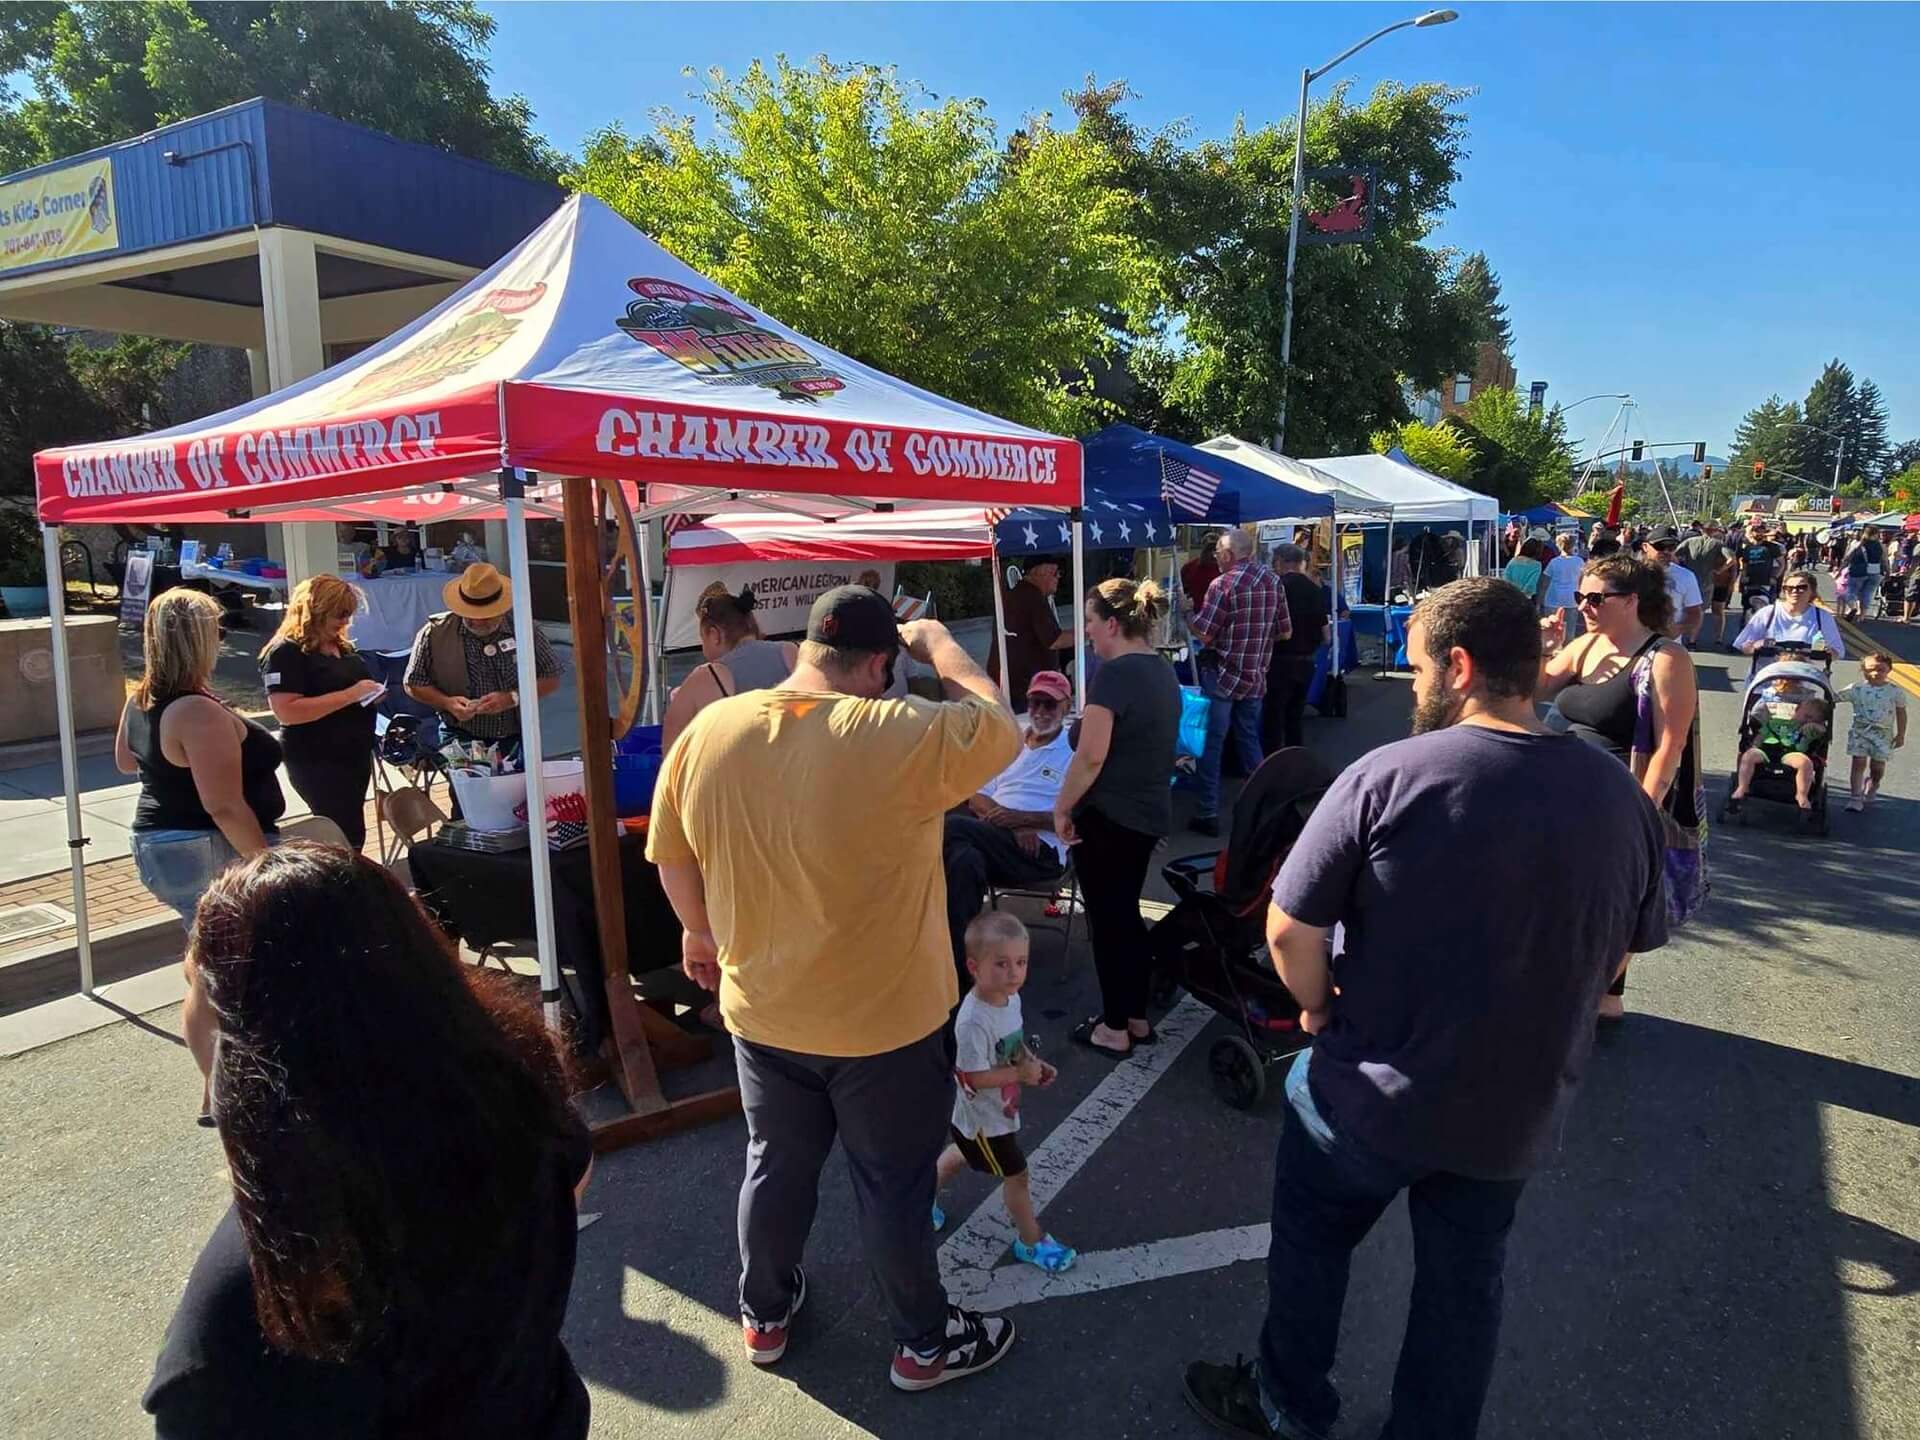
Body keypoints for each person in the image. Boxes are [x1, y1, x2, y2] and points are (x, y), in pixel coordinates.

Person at [1182, 577, 1667, 1440]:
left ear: (1460, 665)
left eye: (1415, 671)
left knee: (1311, 1246)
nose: (1411, 689)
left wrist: (1319, 1010)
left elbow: (1291, 928)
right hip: (1512, 1111)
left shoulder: (1387, 776)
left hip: (1369, 1095)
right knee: (1464, 1289)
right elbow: (1618, 954)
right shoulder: (1620, 800)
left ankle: (1289, 1403)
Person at [646, 587, 1020, 1391]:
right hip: (884, 1023)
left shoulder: (715, 725)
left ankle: (765, 1314)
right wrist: (942, 647)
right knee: (891, 1183)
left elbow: (669, 848)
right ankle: (923, 1342)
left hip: (763, 1009)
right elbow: (1000, 727)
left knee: (774, 1165)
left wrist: (699, 929)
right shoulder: (895, 731)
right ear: (879, 664)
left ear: (807, 648)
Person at [143, 845, 592, 1439]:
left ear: (239, 1029)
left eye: (189, 984)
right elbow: (571, 1187)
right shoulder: (521, 1109)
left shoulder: (240, 1317)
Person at [1539, 554, 1700, 1021]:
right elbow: (1534, 689)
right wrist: (1546, 646)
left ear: (1630, 601)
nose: (1585, 606)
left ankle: (1594, 996)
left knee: (1612, 899)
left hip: (1618, 795)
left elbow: (1672, 743)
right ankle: (1596, 995)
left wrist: (1643, 809)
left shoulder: (1665, 658)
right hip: (1565, 791)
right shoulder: (1586, 645)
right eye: (1581, 597)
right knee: (1571, 892)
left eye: (1596, 598)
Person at [1056, 579, 1181, 1058]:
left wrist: (1062, 807)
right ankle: (1134, 1016)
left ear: (1111, 623)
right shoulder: (1161, 669)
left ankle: (1114, 1026)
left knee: (1109, 923)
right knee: (1125, 916)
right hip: (1146, 814)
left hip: (1110, 816)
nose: (1086, 632)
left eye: (1089, 621)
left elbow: (1090, 757)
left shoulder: (1114, 675)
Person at [119, 588, 285, 925]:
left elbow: (126, 761)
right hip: (205, 844)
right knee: (237, 952)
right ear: (201, 639)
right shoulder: (196, 711)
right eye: (218, 631)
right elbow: (223, 806)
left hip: (161, 841)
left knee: (209, 945)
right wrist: (265, 865)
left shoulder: (140, 699)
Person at [930, 912, 1074, 1272]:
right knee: (1017, 1174)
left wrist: (1032, 1063)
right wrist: (1019, 1073)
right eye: (1002, 964)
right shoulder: (973, 1021)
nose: (1014, 973)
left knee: (961, 1154)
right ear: (974, 966)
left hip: (989, 1116)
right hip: (985, 1119)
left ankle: (918, 1204)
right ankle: (1031, 1240)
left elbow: (1012, 1044)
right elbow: (971, 1076)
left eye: (1021, 962)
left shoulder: (1009, 999)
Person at [942, 670, 1073, 979]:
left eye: (1049, 705)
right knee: (964, 860)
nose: (1040, 712)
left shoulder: (1074, 750)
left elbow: (1079, 813)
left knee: (948, 827)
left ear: (1066, 707)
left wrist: (1027, 821)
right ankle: (962, 965)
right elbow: (977, 794)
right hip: (997, 839)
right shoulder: (1012, 741)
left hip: (1040, 852)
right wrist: (1011, 824)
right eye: (1034, 703)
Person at [260, 575, 383, 852]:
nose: (344, 621)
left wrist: (370, 695)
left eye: (348, 615)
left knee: (353, 831)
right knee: (338, 833)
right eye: (338, 614)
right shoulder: (285, 652)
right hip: (318, 759)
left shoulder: (341, 646)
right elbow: (286, 711)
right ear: (315, 611)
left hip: (354, 754)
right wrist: (351, 695)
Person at [1188, 530, 1289, 836]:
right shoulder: (1273, 581)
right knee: (1248, 741)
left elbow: (1204, 633)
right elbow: (1285, 632)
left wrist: (1185, 612)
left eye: (1218, 552)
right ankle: (1265, 809)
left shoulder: (1223, 584)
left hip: (1222, 673)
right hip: (1256, 673)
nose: (1216, 556)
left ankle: (1208, 813)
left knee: (1211, 745)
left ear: (1230, 554)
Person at [403, 564, 563, 752]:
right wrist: (447, 703)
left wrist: (512, 698)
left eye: (486, 616)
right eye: (470, 615)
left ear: (501, 608)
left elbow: (551, 676)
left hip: (516, 735)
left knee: (516, 782)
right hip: (459, 734)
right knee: (467, 782)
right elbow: (413, 682)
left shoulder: (524, 628)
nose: (477, 622)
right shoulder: (434, 632)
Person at [660, 587, 798, 753]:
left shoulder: (706, 677)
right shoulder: (792, 652)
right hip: (801, 772)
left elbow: (671, 755)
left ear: (714, 634)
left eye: (702, 639)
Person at [1262, 544, 1328, 753]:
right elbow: (1326, 635)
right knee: (1295, 717)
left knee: (1273, 716)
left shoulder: (1276, 587)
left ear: (1281, 561)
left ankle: (1271, 763)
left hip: (1279, 659)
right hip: (1306, 661)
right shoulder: (1315, 590)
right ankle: (1296, 762)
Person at [987, 556, 1074, 713]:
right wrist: (1088, 631)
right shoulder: (1032, 597)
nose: (1058, 578)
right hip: (1026, 691)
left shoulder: (1016, 595)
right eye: (1055, 573)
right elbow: (1054, 640)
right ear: (1039, 572)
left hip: (1010, 686)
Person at [1727, 692, 1829, 817]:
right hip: (1766, 750)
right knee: (1749, 756)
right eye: (1806, 716)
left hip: (1792, 753)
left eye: (1813, 719)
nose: (1807, 720)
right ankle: (1742, 787)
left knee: (1805, 762)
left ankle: (1802, 794)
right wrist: (1755, 745)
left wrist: (1816, 726)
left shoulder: (1811, 730)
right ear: (1797, 710)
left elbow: (1823, 732)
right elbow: (1761, 734)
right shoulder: (1776, 721)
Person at [1835, 652, 1906, 812]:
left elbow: (1901, 713)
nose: (1875, 673)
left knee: (1877, 767)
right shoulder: (1856, 688)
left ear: (1889, 670)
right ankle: (1855, 797)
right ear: (1863, 671)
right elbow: (1834, 697)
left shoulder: (1895, 691)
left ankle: (1874, 784)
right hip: (1860, 732)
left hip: (1883, 734)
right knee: (1858, 762)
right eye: (1870, 670)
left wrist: (1901, 734)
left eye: (1881, 669)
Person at [1734, 571, 1847, 659]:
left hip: (1807, 680)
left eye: (1801, 588)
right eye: (1789, 588)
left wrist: (1827, 652)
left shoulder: (1822, 617)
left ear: (1812, 591)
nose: (1794, 591)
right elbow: (1743, 646)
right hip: (1768, 681)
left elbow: (1837, 652)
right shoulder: (1767, 613)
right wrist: (1754, 646)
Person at [1643, 525, 1704, 640]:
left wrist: (1679, 628)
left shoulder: (1686, 576)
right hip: (1633, 644)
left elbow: (1695, 613)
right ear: (1645, 547)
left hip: (1667, 645)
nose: (1666, 551)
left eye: (1671, 547)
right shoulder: (1632, 574)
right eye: (1660, 546)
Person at [1676, 522, 1732, 646]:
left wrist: (1679, 569)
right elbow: (1731, 559)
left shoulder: (1690, 542)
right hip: (1706, 581)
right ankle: (1693, 640)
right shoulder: (1718, 544)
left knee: (1681, 608)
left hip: (1689, 579)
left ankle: (1679, 636)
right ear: (1715, 530)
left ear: (1702, 529)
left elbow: (1675, 554)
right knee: (1700, 611)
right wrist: (1720, 570)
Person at [1542, 532, 1586, 640]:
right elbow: (1582, 581)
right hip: (1572, 598)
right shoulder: (1579, 561)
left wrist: (1540, 599)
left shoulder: (1554, 562)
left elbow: (1545, 582)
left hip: (1553, 598)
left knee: (1551, 631)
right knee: (1570, 632)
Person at [1736, 525, 1785, 614]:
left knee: (1766, 608)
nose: (1759, 533)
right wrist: (1742, 579)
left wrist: (1774, 577)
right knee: (1748, 608)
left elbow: (1782, 564)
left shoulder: (1771, 547)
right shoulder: (1748, 548)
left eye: (1762, 531)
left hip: (1765, 581)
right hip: (1750, 581)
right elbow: (1745, 565)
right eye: (1757, 531)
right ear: (1752, 533)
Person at [1841, 527, 1885, 619]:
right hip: (1875, 571)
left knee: (1851, 591)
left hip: (1858, 571)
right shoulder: (1881, 546)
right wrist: (1887, 573)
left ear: (1864, 533)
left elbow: (1847, 558)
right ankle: (1862, 615)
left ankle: (1853, 607)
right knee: (1867, 593)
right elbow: (1884, 561)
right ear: (1876, 534)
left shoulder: (1858, 545)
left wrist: (1840, 569)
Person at [1180, 535, 1221, 616]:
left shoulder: (1224, 569)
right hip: (1196, 613)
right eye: (1208, 548)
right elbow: (1184, 590)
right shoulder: (1189, 567)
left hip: (1217, 614)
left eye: (1214, 548)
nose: (1211, 553)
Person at [1500, 536, 1545, 608]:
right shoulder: (1537, 565)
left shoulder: (1513, 561)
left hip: (1511, 596)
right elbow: (1531, 584)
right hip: (1527, 599)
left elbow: (1505, 578)